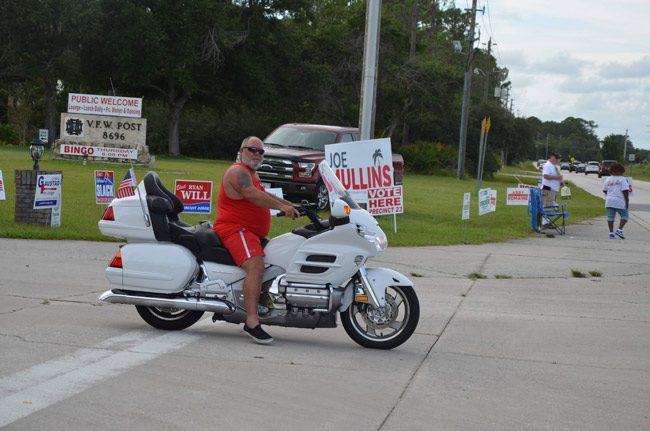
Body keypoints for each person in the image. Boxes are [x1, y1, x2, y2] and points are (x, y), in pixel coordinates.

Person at [213, 136, 299, 344]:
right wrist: (282, 208)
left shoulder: (252, 174)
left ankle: (261, 303)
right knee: (256, 266)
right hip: (236, 230)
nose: (258, 155)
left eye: (261, 152)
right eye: (253, 150)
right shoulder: (237, 172)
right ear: (242, 150)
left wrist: (292, 205)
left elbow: (265, 195)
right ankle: (251, 321)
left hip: (250, 232)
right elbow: (252, 195)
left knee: (275, 261)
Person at [602, 162, 629, 239]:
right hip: (619, 200)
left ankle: (611, 233)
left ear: (611, 171)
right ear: (621, 171)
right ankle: (619, 230)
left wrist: (610, 195)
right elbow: (625, 191)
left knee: (610, 216)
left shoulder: (608, 179)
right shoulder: (622, 179)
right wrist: (627, 202)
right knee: (625, 216)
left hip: (609, 200)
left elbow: (604, 190)